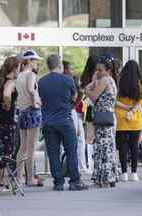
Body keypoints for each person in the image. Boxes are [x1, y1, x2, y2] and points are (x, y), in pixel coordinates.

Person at [39, 54, 88, 191]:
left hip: (48, 121)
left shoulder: (41, 82)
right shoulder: (68, 80)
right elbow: (74, 96)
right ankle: (74, 181)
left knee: (53, 152)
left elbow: (40, 99)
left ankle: (58, 182)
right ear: (59, 65)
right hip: (65, 120)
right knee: (71, 150)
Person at [85, 57, 119, 187]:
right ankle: (110, 176)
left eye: (100, 70)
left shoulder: (104, 80)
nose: (98, 72)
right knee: (108, 147)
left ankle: (104, 178)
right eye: (96, 70)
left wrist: (88, 89)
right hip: (109, 117)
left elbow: (93, 97)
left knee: (102, 148)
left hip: (102, 118)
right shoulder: (112, 81)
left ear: (108, 70)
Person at [115, 60, 142, 182]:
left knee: (122, 147)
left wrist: (126, 109)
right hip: (135, 119)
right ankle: (134, 173)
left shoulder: (119, 82)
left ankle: (124, 173)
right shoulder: (141, 83)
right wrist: (132, 111)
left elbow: (114, 101)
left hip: (121, 118)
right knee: (134, 147)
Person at [15, 50, 42, 186]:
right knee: (31, 147)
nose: (37, 63)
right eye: (35, 60)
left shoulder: (19, 75)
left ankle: (19, 177)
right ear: (30, 61)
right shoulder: (31, 74)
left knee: (23, 147)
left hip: (22, 111)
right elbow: (31, 90)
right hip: (32, 111)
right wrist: (35, 102)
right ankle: (30, 178)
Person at [0, 56, 20, 187]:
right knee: (7, 149)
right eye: (19, 67)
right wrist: (7, 104)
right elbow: (7, 94)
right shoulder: (11, 82)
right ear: (14, 69)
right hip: (7, 120)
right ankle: (3, 179)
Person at [63, 61, 87, 174]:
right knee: (76, 140)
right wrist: (74, 104)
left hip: (69, 112)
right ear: (66, 70)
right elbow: (80, 93)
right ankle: (76, 167)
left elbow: (80, 93)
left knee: (70, 141)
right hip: (71, 113)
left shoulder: (64, 80)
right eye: (70, 69)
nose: (72, 71)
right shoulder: (70, 80)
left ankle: (68, 167)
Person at [80, 55, 99, 174]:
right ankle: (95, 165)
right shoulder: (97, 77)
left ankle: (89, 165)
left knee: (89, 138)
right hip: (96, 108)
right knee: (97, 137)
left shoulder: (84, 77)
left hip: (87, 109)